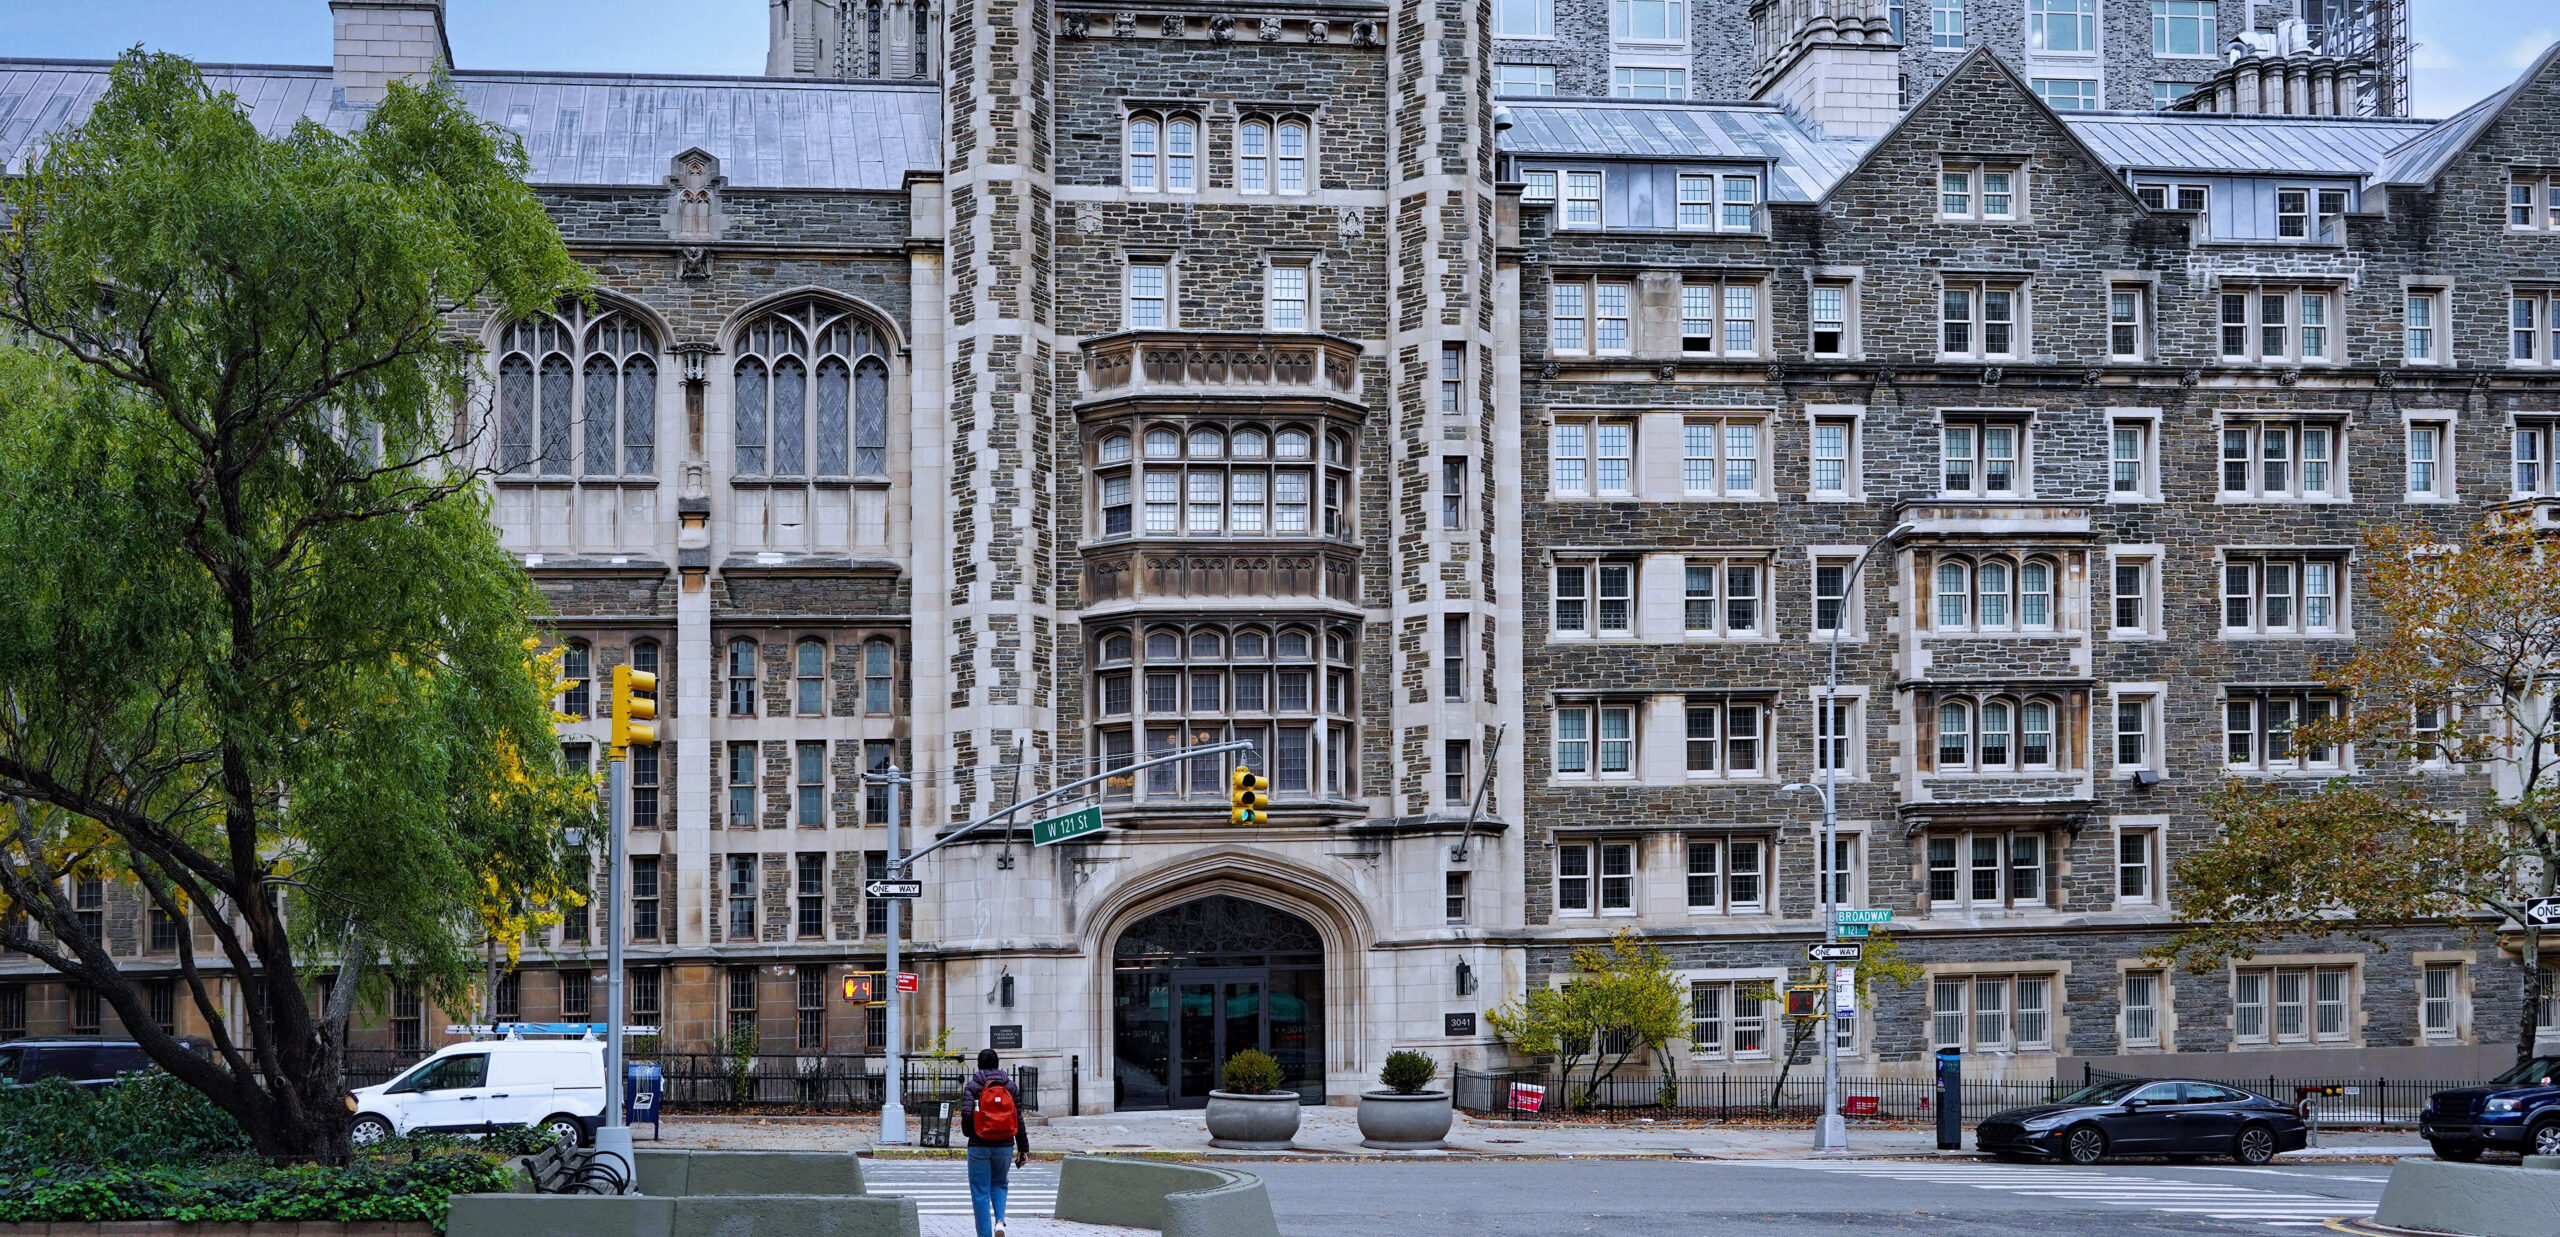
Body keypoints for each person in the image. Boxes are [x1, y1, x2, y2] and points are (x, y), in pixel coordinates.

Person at [961, 1047, 1030, 1237]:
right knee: (999, 1184)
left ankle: (984, 1235)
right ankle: (999, 1221)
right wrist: (1023, 1148)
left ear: (979, 1065)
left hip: (979, 1145)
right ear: (998, 1064)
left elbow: (967, 1114)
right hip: (1005, 1144)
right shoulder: (1010, 1086)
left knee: (980, 1191)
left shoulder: (973, 1086)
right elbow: (1018, 1117)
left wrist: (970, 1132)